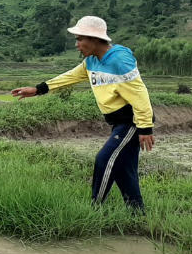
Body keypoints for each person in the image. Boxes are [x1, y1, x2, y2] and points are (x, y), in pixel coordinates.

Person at [11, 16, 155, 210]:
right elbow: (70, 76)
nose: (77, 44)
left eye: (80, 39)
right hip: (118, 122)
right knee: (123, 169)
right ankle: (137, 213)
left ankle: (95, 209)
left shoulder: (120, 61)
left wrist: (145, 127)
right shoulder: (91, 61)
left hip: (131, 122)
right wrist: (38, 89)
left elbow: (140, 95)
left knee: (104, 159)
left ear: (94, 39)